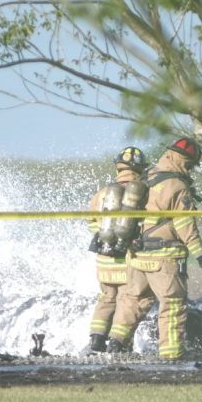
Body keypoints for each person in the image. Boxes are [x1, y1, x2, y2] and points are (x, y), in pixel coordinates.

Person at [117, 137, 202, 359]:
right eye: (190, 164)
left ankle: (116, 343)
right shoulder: (177, 186)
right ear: (184, 161)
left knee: (134, 299)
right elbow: (184, 225)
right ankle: (171, 354)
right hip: (164, 257)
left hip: (137, 255)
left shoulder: (146, 177)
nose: (191, 169)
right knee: (172, 304)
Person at [86, 146, 154, 353]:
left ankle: (96, 339)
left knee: (107, 297)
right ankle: (117, 342)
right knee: (129, 300)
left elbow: (91, 223)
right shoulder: (143, 193)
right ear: (141, 169)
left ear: (118, 168)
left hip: (104, 258)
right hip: (127, 259)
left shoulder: (103, 193)